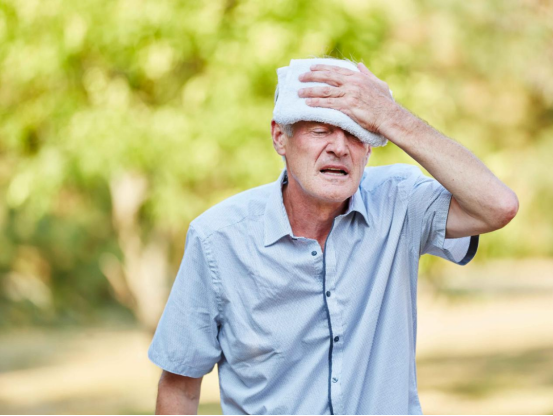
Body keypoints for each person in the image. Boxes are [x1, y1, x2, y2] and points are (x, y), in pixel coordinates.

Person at [148, 58, 519, 415]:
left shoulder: (400, 202)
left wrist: (390, 116)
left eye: (358, 133)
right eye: (321, 130)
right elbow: (179, 386)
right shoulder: (218, 239)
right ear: (280, 137)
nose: (340, 147)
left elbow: (498, 206)